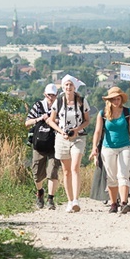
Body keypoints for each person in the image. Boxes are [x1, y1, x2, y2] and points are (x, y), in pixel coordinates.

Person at [47, 74, 90, 213]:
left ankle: (76, 199)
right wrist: (61, 131)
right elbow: (51, 120)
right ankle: (70, 200)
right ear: (63, 87)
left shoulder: (82, 101)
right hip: (62, 137)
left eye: (71, 85)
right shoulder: (58, 102)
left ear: (75, 87)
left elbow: (87, 120)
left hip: (78, 137)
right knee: (66, 171)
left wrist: (77, 130)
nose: (68, 87)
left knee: (75, 166)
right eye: (66, 85)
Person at [90, 86, 130, 214]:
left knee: (123, 175)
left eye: (118, 99)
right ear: (109, 100)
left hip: (125, 146)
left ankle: (124, 202)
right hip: (108, 148)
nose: (116, 101)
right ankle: (114, 203)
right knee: (111, 177)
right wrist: (94, 147)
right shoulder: (102, 114)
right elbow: (97, 131)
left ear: (121, 99)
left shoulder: (127, 112)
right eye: (113, 99)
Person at [25, 83, 60, 210]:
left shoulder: (60, 107)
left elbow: (64, 121)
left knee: (53, 171)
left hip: (55, 143)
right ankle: (40, 192)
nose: (51, 97)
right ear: (45, 94)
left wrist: (53, 121)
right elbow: (27, 123)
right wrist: (40, 118)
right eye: (49, 95)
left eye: (54, 95)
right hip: (39, 143)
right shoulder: (38, 106)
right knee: (37, 173)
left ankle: (51, 198)